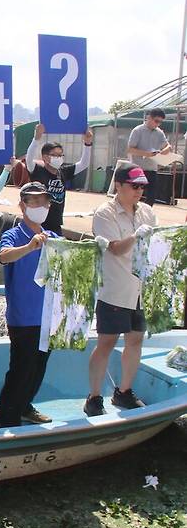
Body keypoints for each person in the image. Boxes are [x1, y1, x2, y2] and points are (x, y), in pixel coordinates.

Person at [83, 164, 156, 416]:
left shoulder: (147, 211)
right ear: (119, 185)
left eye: (142, 186)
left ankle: (123, 391)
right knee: (106, 342)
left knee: (135, 340)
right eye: (134, 185)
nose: (139, 191)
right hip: (115, 289)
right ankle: (93, 396)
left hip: (140, 289)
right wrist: (136, 235)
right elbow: (116, 248)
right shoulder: (105, 213)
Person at [0, 182, 59, 428]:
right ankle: (6, 417)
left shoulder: (53, 237)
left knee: (39, 367)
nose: (41, 206)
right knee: (21, 368)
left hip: (48, 317)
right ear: (22, 206)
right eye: (35, 201)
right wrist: (30, 246)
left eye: (45, 202)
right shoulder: (13, 234)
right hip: (24, 317)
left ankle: (24, 406)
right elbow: (4, 256)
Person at [25, 123, 93, 234]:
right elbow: (29, 159)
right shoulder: (38, 171)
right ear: (45, 157)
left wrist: (88, 143)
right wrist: (36, 138)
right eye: (55, 155)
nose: (59, 158)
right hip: (39, 224)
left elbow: (84, 164)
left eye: (60, 155)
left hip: (56, 224)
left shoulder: (63, 172)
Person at [127, 108, 171, 206]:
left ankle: (146, 216)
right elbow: (130, 149)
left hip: (152, 169)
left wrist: (166, 149)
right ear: (148, 118)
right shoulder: (137, 130)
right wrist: (146, 154)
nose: (157, 124)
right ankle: (131, 215)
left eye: (160, 122)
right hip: (137, 168)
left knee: (151, 197)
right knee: (134, 195)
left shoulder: (159, 132)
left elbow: (167, 145)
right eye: (156, 121)